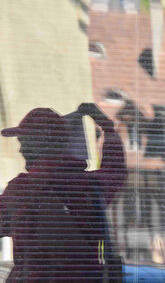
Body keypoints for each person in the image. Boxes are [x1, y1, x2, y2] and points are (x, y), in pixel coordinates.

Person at [0, 103, 127, 282]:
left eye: (24, 142)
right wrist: (106, 127)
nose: (20, 149)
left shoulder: (22, 189)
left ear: (38, 144)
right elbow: (115, 170)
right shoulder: (90, 186)